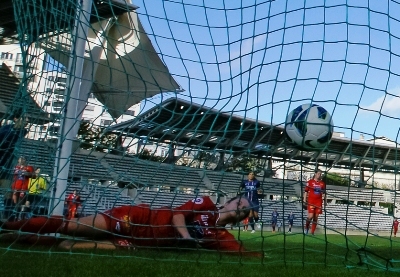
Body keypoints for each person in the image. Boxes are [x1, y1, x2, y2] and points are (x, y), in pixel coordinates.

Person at [2, 195, 262, 256]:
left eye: (245, 210)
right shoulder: (204, 203)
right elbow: (177, 216)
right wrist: (185, 237)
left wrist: (259, 255)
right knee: (70, 227)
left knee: (70, 244)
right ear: (228, 202)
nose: (241, 207)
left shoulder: (220, 236)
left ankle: (16, 239)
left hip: (137, 241)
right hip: (135, 219)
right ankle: (9, 225)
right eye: (239, 202)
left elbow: (241, 252)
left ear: (243, 218)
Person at [303, 169, 326, 235]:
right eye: (318, 174)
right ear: (315, 174)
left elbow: (324, 193)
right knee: (310, 216)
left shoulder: (322, 183)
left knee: (316, 217)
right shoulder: (310, 182)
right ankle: (306, 228)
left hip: (318, 202)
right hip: (311, 201)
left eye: (320, 174)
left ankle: (312, 232)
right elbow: (306, 191)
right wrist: (304, 200)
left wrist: (325, 201)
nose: (319, 175)